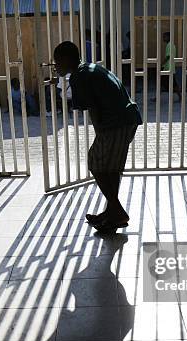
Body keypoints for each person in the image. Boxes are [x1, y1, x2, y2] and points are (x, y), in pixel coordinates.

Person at [53, 41, 142, 232]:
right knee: (110, 167)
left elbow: (93, 109)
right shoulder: (88, 68)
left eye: (57, 61)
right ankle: (111, 213)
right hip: (126, 119)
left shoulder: (79, 76)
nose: (55, 65)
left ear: (67, 59)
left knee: (95, 162)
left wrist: (101, 134)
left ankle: (117, 211)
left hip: (117, 123)